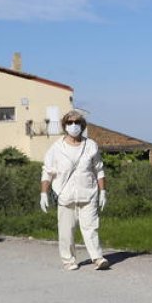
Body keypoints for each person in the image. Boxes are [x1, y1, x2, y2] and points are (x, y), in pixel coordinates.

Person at [40, 111, 109, 271]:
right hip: (65, 196)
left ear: (82, 125)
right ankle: (68, 260)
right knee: (66, 231)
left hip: (88, 193)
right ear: (64, 126)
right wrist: (43, 193)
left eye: (77, 122)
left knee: (91, 228)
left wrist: (103, 191)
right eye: (70, 122)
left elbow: (99, 170)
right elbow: (47, 172)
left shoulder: (90, 145)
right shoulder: (56, 148)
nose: (74, 125)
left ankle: (97, 258)